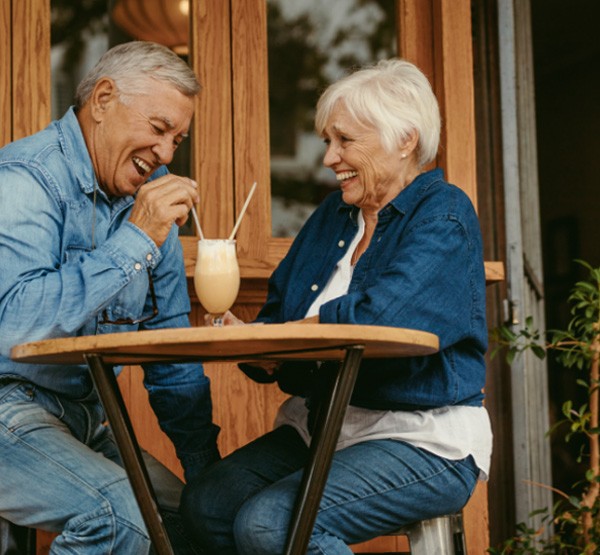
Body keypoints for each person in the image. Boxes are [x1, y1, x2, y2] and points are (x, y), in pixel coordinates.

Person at [180, 58, 492, 554]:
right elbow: (279, 317)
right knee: (206, 506)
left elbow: (382, 319)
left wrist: (288, 337)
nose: (329, 157)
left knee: (269, 525)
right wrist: (261, 346)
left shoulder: (444, 213)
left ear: (404, 138)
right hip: (322, 427)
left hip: (422, 438)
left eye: (344, 140)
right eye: (328, 140)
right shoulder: (333, 216)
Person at [0, 41, 220, 554]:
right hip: (7, 407)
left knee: (201, 527)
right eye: (159, 129)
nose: (167, 153)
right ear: (102, 100)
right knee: (118, 517)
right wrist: (136, 240)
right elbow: (12, 322)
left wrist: (208, 478)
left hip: (82, 419)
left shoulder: (151, 195)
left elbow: (170, 353)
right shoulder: (26, 179)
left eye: (177, 139)